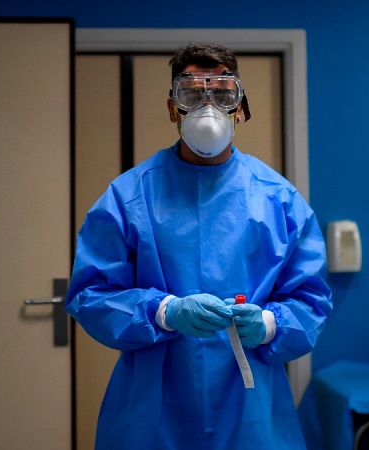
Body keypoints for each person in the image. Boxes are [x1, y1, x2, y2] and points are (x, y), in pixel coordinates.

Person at [66, 43, 333, 450]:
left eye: (222, 94)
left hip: (249, 409)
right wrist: (163, 311)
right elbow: (90, 295)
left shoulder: (279, 200)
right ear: (174, 107)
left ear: (240, 106)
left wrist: (270, 324)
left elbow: (311, 300)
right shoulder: (128, 197)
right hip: (153, 411)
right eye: (192, 94)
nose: (208, 108)